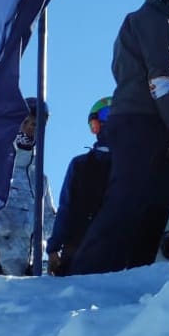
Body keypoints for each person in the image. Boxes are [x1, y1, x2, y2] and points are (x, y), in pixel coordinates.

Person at [70, 0, 169, 275]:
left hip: (127, 118)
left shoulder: (135, 21)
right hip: (142, 120)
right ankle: (92, 272)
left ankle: (106, 270)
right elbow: (160, 79)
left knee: (129, 199)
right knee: (126, 202)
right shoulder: (157, 21)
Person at [0, 97, 57, 275]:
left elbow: (49, 220)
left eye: (35, 124)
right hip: (0, 270)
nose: (29, 127)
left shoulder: (40, 178)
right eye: (25, 122)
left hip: (32, 270)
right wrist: (14, 227)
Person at [47, 98, 113, 275]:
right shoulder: (80, 165)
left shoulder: (131, 166)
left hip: (114, 248)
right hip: (80, 247)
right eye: (106, 116)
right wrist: (54, 249)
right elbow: (66, 208)